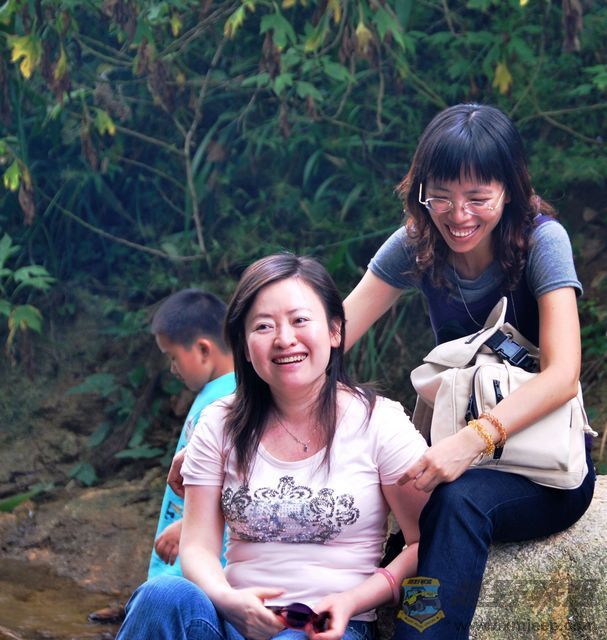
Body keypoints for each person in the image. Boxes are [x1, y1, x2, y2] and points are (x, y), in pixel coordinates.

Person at [343, 103, 596, 639]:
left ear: (510, 189)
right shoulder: (418, 243)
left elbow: (563, 374)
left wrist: (472, 441)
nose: (458, 215)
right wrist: (230, 425)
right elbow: (330, 338)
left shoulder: (542, 241)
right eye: (440, 196)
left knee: (454, 503)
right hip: (458, 464)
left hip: (547, 472)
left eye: (478, 198)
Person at [116, 253, 430, 640]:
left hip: (326, 626)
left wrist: (353, 600)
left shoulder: (379, 422)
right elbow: (196, 546)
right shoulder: (219, 423)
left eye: (300, 320)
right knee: (161, 595)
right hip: (230, 618)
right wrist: (228, 600)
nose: (284, 339)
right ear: (245, 347)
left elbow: (426, 539)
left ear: (334, 330)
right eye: (263, 326)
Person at [148, 288, 235, 578]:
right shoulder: (214, 393)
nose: (173, 369)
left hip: (201, 569)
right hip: (183, 565)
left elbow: (241, 482)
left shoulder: (231, 400)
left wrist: (189, 525)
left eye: (173, 357)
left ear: (203, 350)